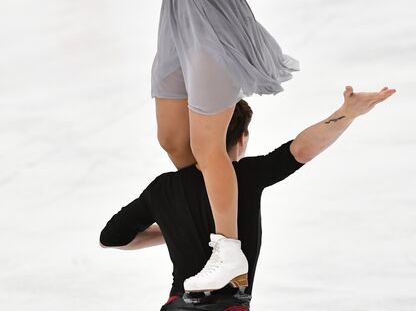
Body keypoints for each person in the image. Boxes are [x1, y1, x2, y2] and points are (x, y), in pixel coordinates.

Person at [57, 0, 397, 298]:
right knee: (172, 140)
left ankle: (228, 250)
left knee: (206, 147)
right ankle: (211, 215)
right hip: (173, 20)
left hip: (214, 23)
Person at [100, 84, 396, 310]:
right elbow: (301, 149)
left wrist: (172, 230)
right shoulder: (245, 175)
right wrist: (347, 113)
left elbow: (112, 237)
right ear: (242, 139)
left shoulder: (163, 188)